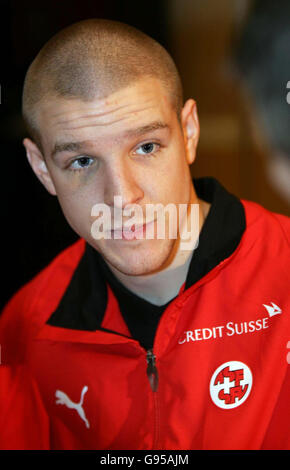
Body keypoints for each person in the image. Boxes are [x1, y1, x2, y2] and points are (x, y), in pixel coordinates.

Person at [0, 18, 289, 450]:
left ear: (188, 132)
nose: (122, 197)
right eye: (82, 162)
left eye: (146, 147)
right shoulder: (26, 329)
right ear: (42, 169)